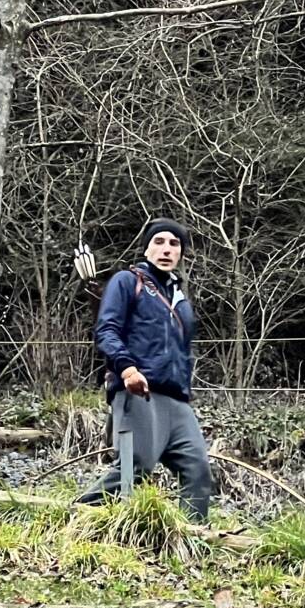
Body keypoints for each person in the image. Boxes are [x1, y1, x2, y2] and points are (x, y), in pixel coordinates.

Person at [76, 218, 213, 519]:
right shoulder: (128, 281)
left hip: (177, 400)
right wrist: (127, 370)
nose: (166, 249)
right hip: (138, 391)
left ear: (181, 253)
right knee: (135, 467)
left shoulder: (181, 301)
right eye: (159, 242)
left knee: (198, 471)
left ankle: (193, 540)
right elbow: (107, 330)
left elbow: (182, 352)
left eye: (174, 244)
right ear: (147, 249)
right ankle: (76, 518)